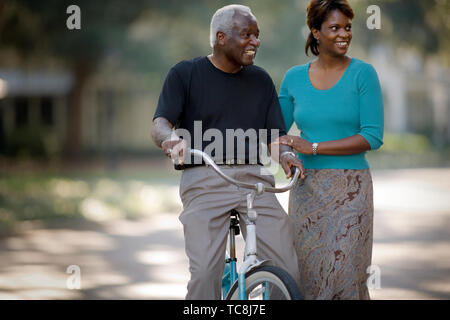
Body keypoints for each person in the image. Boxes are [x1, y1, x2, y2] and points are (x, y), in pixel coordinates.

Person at [151, 4, 305, 300]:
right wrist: (171, 140)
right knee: (205, 273)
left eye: (257, 35)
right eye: (246, 34)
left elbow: (274, 136)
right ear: (221, 37)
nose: (255, 41)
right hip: (205, 179)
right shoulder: (186, 74)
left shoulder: (261, 80)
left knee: (288, 268)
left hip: (256, 182)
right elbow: (160, 123)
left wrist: (284, 155)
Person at [278, 0, 384, 299]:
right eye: (334, 27)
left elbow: (372, 137)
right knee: (308, 275)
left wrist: (312, 147)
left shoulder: (363, 73)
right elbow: (276, 130)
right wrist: (285, 153)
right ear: (315, 32)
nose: (344, 34)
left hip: (352, 190)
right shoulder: (293, 78)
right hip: (306, 191)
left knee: (345, 276)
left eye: (347, 27)